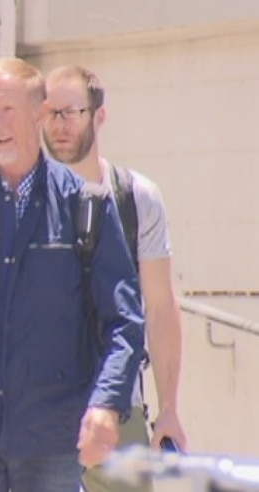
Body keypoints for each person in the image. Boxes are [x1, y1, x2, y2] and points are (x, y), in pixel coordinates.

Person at [0, 57, 146, 492]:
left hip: (53, 437)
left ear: (39, 113)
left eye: (7, 109)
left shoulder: (86, 207)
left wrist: (107, 404)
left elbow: (124, 321)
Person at [42, 64, 186, 492]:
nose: (59, 125)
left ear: (99, 116)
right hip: (39, 412)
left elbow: (160, 308)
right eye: (50, 113)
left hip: (118, 406)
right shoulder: (20, 201)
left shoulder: (137, 197)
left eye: (72, 112)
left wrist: (169, 408)